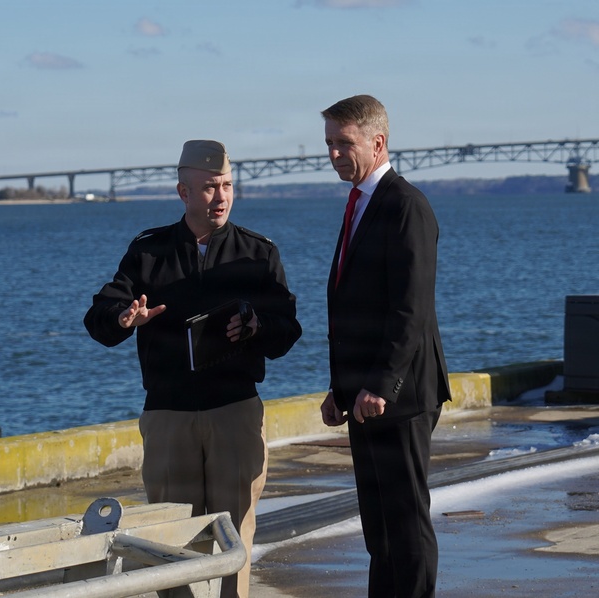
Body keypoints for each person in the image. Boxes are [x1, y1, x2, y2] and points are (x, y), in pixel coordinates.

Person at [84, 140, 302, 598]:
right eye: (208, 188)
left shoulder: (258, 253)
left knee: (235, 531)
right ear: (183, 192)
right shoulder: (149, 251)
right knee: (167, 537)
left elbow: (288, 332)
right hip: (169, 414)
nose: (220, 197)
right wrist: (125, 317)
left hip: (235, 411)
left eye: (226, 186)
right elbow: (100, 317)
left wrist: (259, 325)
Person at [319, 95, 452, 597]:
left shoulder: (406, 205)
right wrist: (340, 387)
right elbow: (353, 306)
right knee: (379, 530)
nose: (333, 154)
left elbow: (409, 309)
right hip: (363, 396)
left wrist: (379, 383)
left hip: (399, 396)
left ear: (377, 142)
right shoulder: (361, 203)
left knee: (407, 523)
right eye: (329, 143)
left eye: (343, 143)